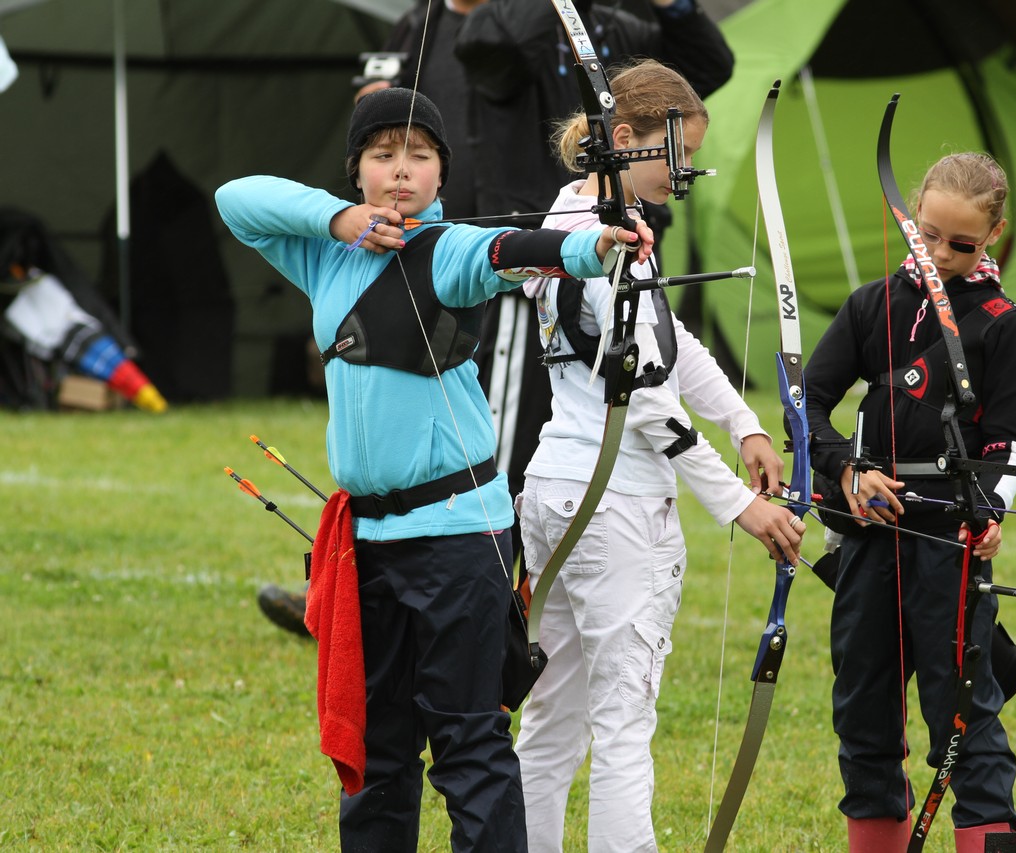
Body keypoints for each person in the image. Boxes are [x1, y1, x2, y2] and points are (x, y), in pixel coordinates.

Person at [215, 86, 653, 852]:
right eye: (382, 156)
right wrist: (339, 220)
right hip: (369, 545)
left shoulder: (448, 249)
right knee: (379, 752)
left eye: (419, 156)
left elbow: (513, 251)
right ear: (357, 171)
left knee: (467, 743)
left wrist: (598, 245)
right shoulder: (325, 252)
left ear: (441, 174)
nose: (400, 172)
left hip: (456, 536)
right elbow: (236, 200)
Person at [513, 60, 804, 851]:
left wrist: (745, 421)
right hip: (612, 504)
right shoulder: (606, 240)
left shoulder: (573, 222)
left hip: (554, 491)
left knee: (553, 718)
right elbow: (644, 395)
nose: (682, 172)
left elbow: (665, 343)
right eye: (669, 152)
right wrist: (740, 504)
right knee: (620, 721)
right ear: (620, 140)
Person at [352, 0, 735, 585]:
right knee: (500, 447)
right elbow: (495, 60)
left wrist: (675, 8)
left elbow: (708, 67)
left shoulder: (611, 26)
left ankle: (528, 588)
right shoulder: (485, 26)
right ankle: (482, 585)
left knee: (571, 432)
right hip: (522, 266)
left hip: (609, 251)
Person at [804, 154, 1016, 853]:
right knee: (864, 711)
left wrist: (988, 514)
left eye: (960, 244)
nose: (938, 254)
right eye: (927, 235)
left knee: (963, 714)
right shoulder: (873, 303)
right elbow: (807, 401)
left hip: (948, 544)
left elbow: (1005, 445)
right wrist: (847, 468)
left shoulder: (1004, 324)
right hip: (870, 535)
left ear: (993, 234)